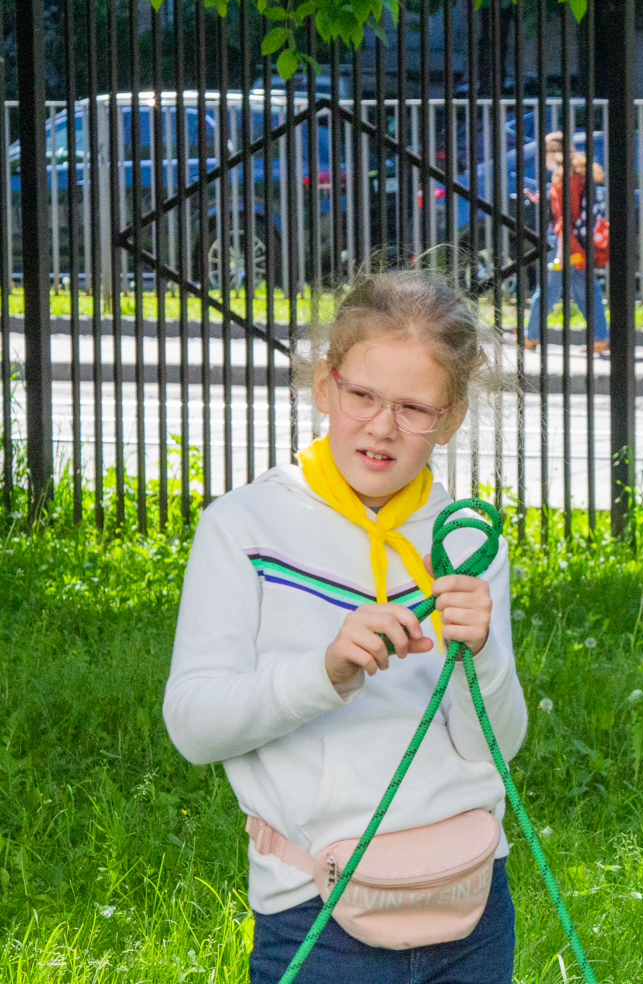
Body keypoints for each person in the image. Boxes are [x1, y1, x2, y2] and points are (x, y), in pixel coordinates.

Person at [164, 268, 527, 983]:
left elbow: (496, 747)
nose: (382, 427)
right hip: (317, 911)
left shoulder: (466, 541)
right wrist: (323, 672)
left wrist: (481, 656)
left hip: (470, 902)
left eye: (414, 408)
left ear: (451, 417)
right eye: (363, 395)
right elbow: (194, 727)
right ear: (325, 385)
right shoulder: (245, 528)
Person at [524, 131, 608, 352]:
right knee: (586, 289)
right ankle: (600, 337)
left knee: (548, 289)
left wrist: (560, 253)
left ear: (552, 153)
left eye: (543, 153)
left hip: (565, 244)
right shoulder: (578, 173)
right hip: (580, 243)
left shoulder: (562, 177)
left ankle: (531, 336)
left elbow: (565, 218)